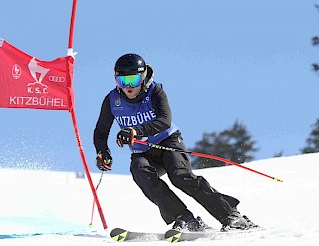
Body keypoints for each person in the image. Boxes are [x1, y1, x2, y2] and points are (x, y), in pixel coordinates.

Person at [93, 53, 257, 231]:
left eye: (133, 80)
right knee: (139, 170)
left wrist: (135, 131)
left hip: (168, 142)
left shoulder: (154, 91)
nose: (129, 87)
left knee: (180, 176)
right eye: (122, 81)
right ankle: (185, 219)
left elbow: (165, 120)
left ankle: (231, 215)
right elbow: (101, 132)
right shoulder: (112, 100)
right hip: (143, 152)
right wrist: (103, 153)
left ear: (143, 76)